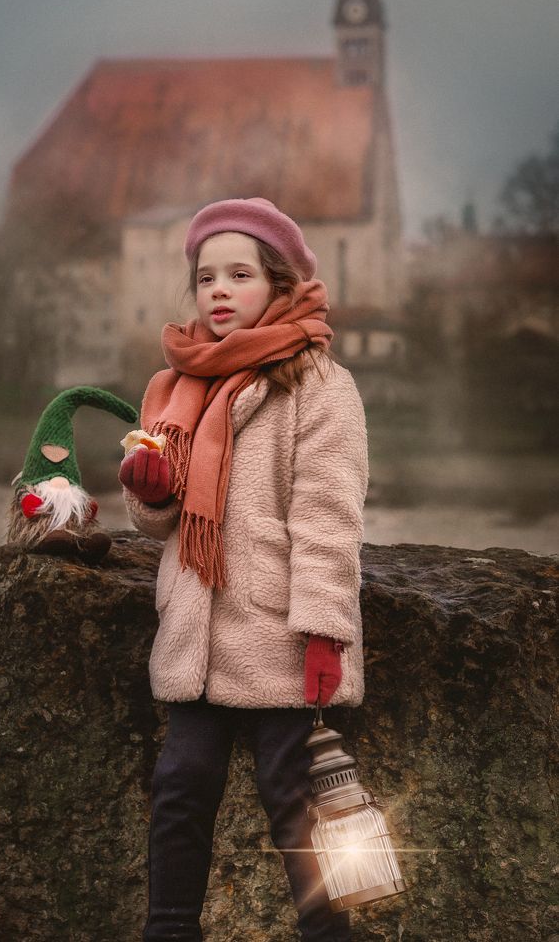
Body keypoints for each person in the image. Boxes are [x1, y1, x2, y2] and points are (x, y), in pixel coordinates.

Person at [119, 197, 369, 942]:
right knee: (178, 788)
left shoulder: (319, 386)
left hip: (281, 641)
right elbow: (160, 525)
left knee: (292, 795)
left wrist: (325, 631)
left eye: (239, 274)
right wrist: (148, 491)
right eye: (205, 278)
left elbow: (329, 521)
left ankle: (327, 934)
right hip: (197, 636)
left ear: (280, 285)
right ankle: (170, 931)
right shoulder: (174, 389)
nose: (219, 291)